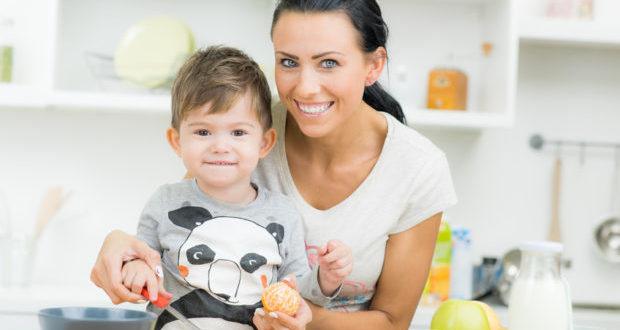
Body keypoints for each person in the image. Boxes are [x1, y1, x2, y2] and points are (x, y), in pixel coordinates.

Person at [91, 0, 458, 329]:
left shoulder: (418, 169)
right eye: (288, 62)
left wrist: (297, 316)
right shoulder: (245, 129)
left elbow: (392, 323)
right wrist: (123, 247)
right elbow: (184, 222)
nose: (305, 87)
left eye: (328, 62)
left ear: (373, 65)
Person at [117, 45, 352, 330]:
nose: (220, 146)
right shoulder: (165, 202)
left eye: (238, 133)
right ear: (177, 141)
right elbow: (140, 259)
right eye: (203, 132)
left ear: (264, 143)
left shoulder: (282, 212)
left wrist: (326, 278)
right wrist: (136, 269)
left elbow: (297, 289)